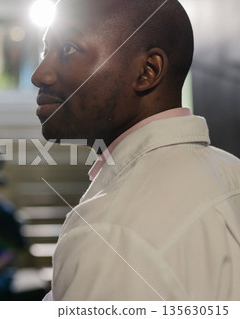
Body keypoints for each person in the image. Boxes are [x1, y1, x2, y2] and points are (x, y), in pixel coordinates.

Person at [31, 0, 240, 300]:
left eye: (68, 49)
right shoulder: (230, 173)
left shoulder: (111, 233)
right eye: (44, 50)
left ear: (147, 71)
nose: (40, 74)